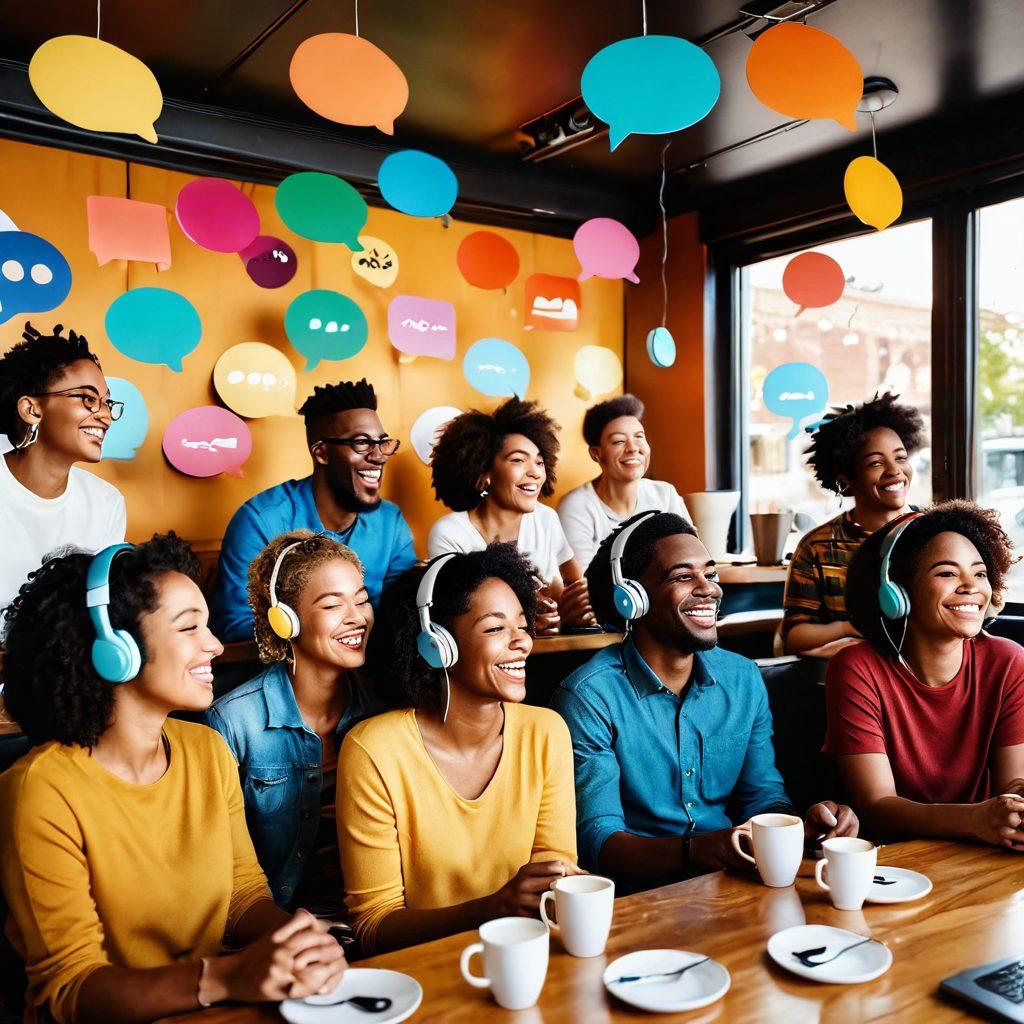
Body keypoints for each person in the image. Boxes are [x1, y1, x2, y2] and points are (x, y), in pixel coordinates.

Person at [0, 536, 345, 1023]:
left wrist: (296, 940)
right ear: (116, 650)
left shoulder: (206, 750)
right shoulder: (40, 790)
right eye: (189, 627)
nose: (215, 645)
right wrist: (225, 977)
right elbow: (71, 988)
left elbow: (242, 895)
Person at [551, 511, 859, 890]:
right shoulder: (588, 697)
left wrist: (798, 826)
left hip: (731, 882)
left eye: (710, 574)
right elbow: (599, 841)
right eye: (683, 577)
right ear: (633, 598)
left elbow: (762, 796)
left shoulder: (742, 678)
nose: (709, 589)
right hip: (637, 899)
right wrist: (699, 850)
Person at [338, 545, 579, 955]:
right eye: (495, 628)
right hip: (421, 971)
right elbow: (373, 925)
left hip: (524, 958)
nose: (521, 642)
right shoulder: (374, 750)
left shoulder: (546, 732)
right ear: (437, 644)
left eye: (523, 625)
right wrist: (491, 909)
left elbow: (552, 877)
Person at [825, 502, 1024, 848]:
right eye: (947, 573)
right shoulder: (856, 668)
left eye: (980, 574)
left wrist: (1018, 802)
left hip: (980, 853)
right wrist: (975, 819)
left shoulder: (1008, 661)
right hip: (894, 858)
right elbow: (877, 806)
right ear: (897, 593)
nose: (971, 587)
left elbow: (1013, 785)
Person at [206, 531, 380, 914]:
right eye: (333, 605)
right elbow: (219, 869)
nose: (357, 618)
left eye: (362, 600)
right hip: (275, 920)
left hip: (371, 914)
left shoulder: (383, 707)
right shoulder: (233, 722)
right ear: (286, 622)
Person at [210, 379, 416, 642]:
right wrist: (321, 635)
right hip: (288, 666)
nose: (379, 456)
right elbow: (235, 624)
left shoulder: (390, 523)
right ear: (321, 453)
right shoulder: (261, 521)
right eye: (362, 443)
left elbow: (403, 612)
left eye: (382, 443)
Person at [427, 397, 593, 634]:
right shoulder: (450, 534)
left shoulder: (546, 519)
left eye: (539, 462)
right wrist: (527, 620)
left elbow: (577, 585)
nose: (535, 472)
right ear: (484, 472)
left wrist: (573, 608)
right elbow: (459, 620)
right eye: (518, 460)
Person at [781, 393, 926, 658]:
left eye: (900, 457)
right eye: (876, 462)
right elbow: (794, 637)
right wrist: (849, 628)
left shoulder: (935, 534)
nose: (894, 470)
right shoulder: (817, 547)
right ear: (846, 481)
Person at [0, 322, 126, 616]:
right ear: (32, 409)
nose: (106, 416)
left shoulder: (106, 503)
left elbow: (96, 609)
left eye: (107, 402)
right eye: (88, 399)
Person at [558, 394, 688, 571]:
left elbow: (691, 558)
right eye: (619, 441)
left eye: (639, 437)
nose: (633, 448)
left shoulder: (665, 495)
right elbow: (585, 581)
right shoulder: (577, 506)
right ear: (596, 453)